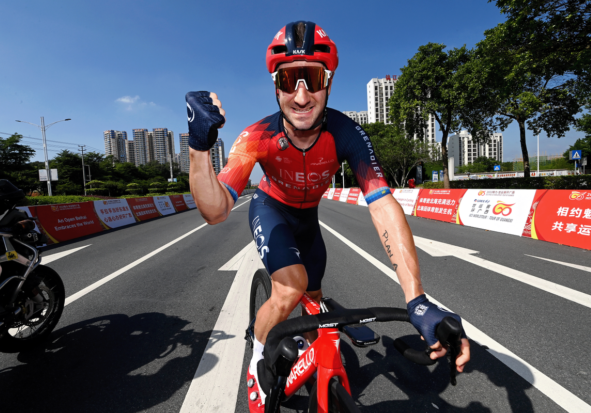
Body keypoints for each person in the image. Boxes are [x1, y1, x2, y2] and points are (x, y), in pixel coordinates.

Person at [186, 21, 470, 412]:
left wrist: (416, 298)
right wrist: (199, 147)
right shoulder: (256, 136)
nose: (301, 96)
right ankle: (256, 361)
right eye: (289, 81)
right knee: (290, 288)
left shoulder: (347, 132)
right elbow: (215, 211)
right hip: (272, 208)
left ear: (328, 83)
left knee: (315, 301)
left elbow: (384, 206)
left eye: (312, 79)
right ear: (275, 86)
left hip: (309, 219)